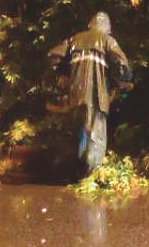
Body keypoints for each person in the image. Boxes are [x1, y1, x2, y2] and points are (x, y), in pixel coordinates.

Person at [48, 12, 131, 175]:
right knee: (95, 136)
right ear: (106, 27)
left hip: (76, 96)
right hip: (96, 97)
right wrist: (122, 79)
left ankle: (79, 174)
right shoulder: (107, 40)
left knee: (80, 134)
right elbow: (122, 66)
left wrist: (65, 75)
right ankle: (92, 176)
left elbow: (52, 56)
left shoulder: (74, 40)